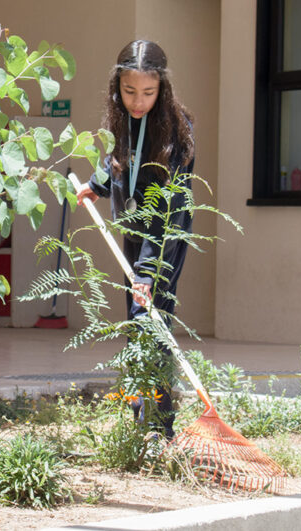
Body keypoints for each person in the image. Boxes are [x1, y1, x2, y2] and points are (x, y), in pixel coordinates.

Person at [75, 39, 195, 438]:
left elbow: (167, 208)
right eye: (129, 92)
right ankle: (140, 418)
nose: (138, 101)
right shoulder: (119, 119)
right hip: (132, 226)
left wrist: (146, 270)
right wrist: (97, 185)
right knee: (136, 321)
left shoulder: (177, 130)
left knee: (152, 320)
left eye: (148, 92)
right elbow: (116, 160)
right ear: (117, 86)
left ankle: (160, 427)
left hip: (164, 236)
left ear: (162, 88)